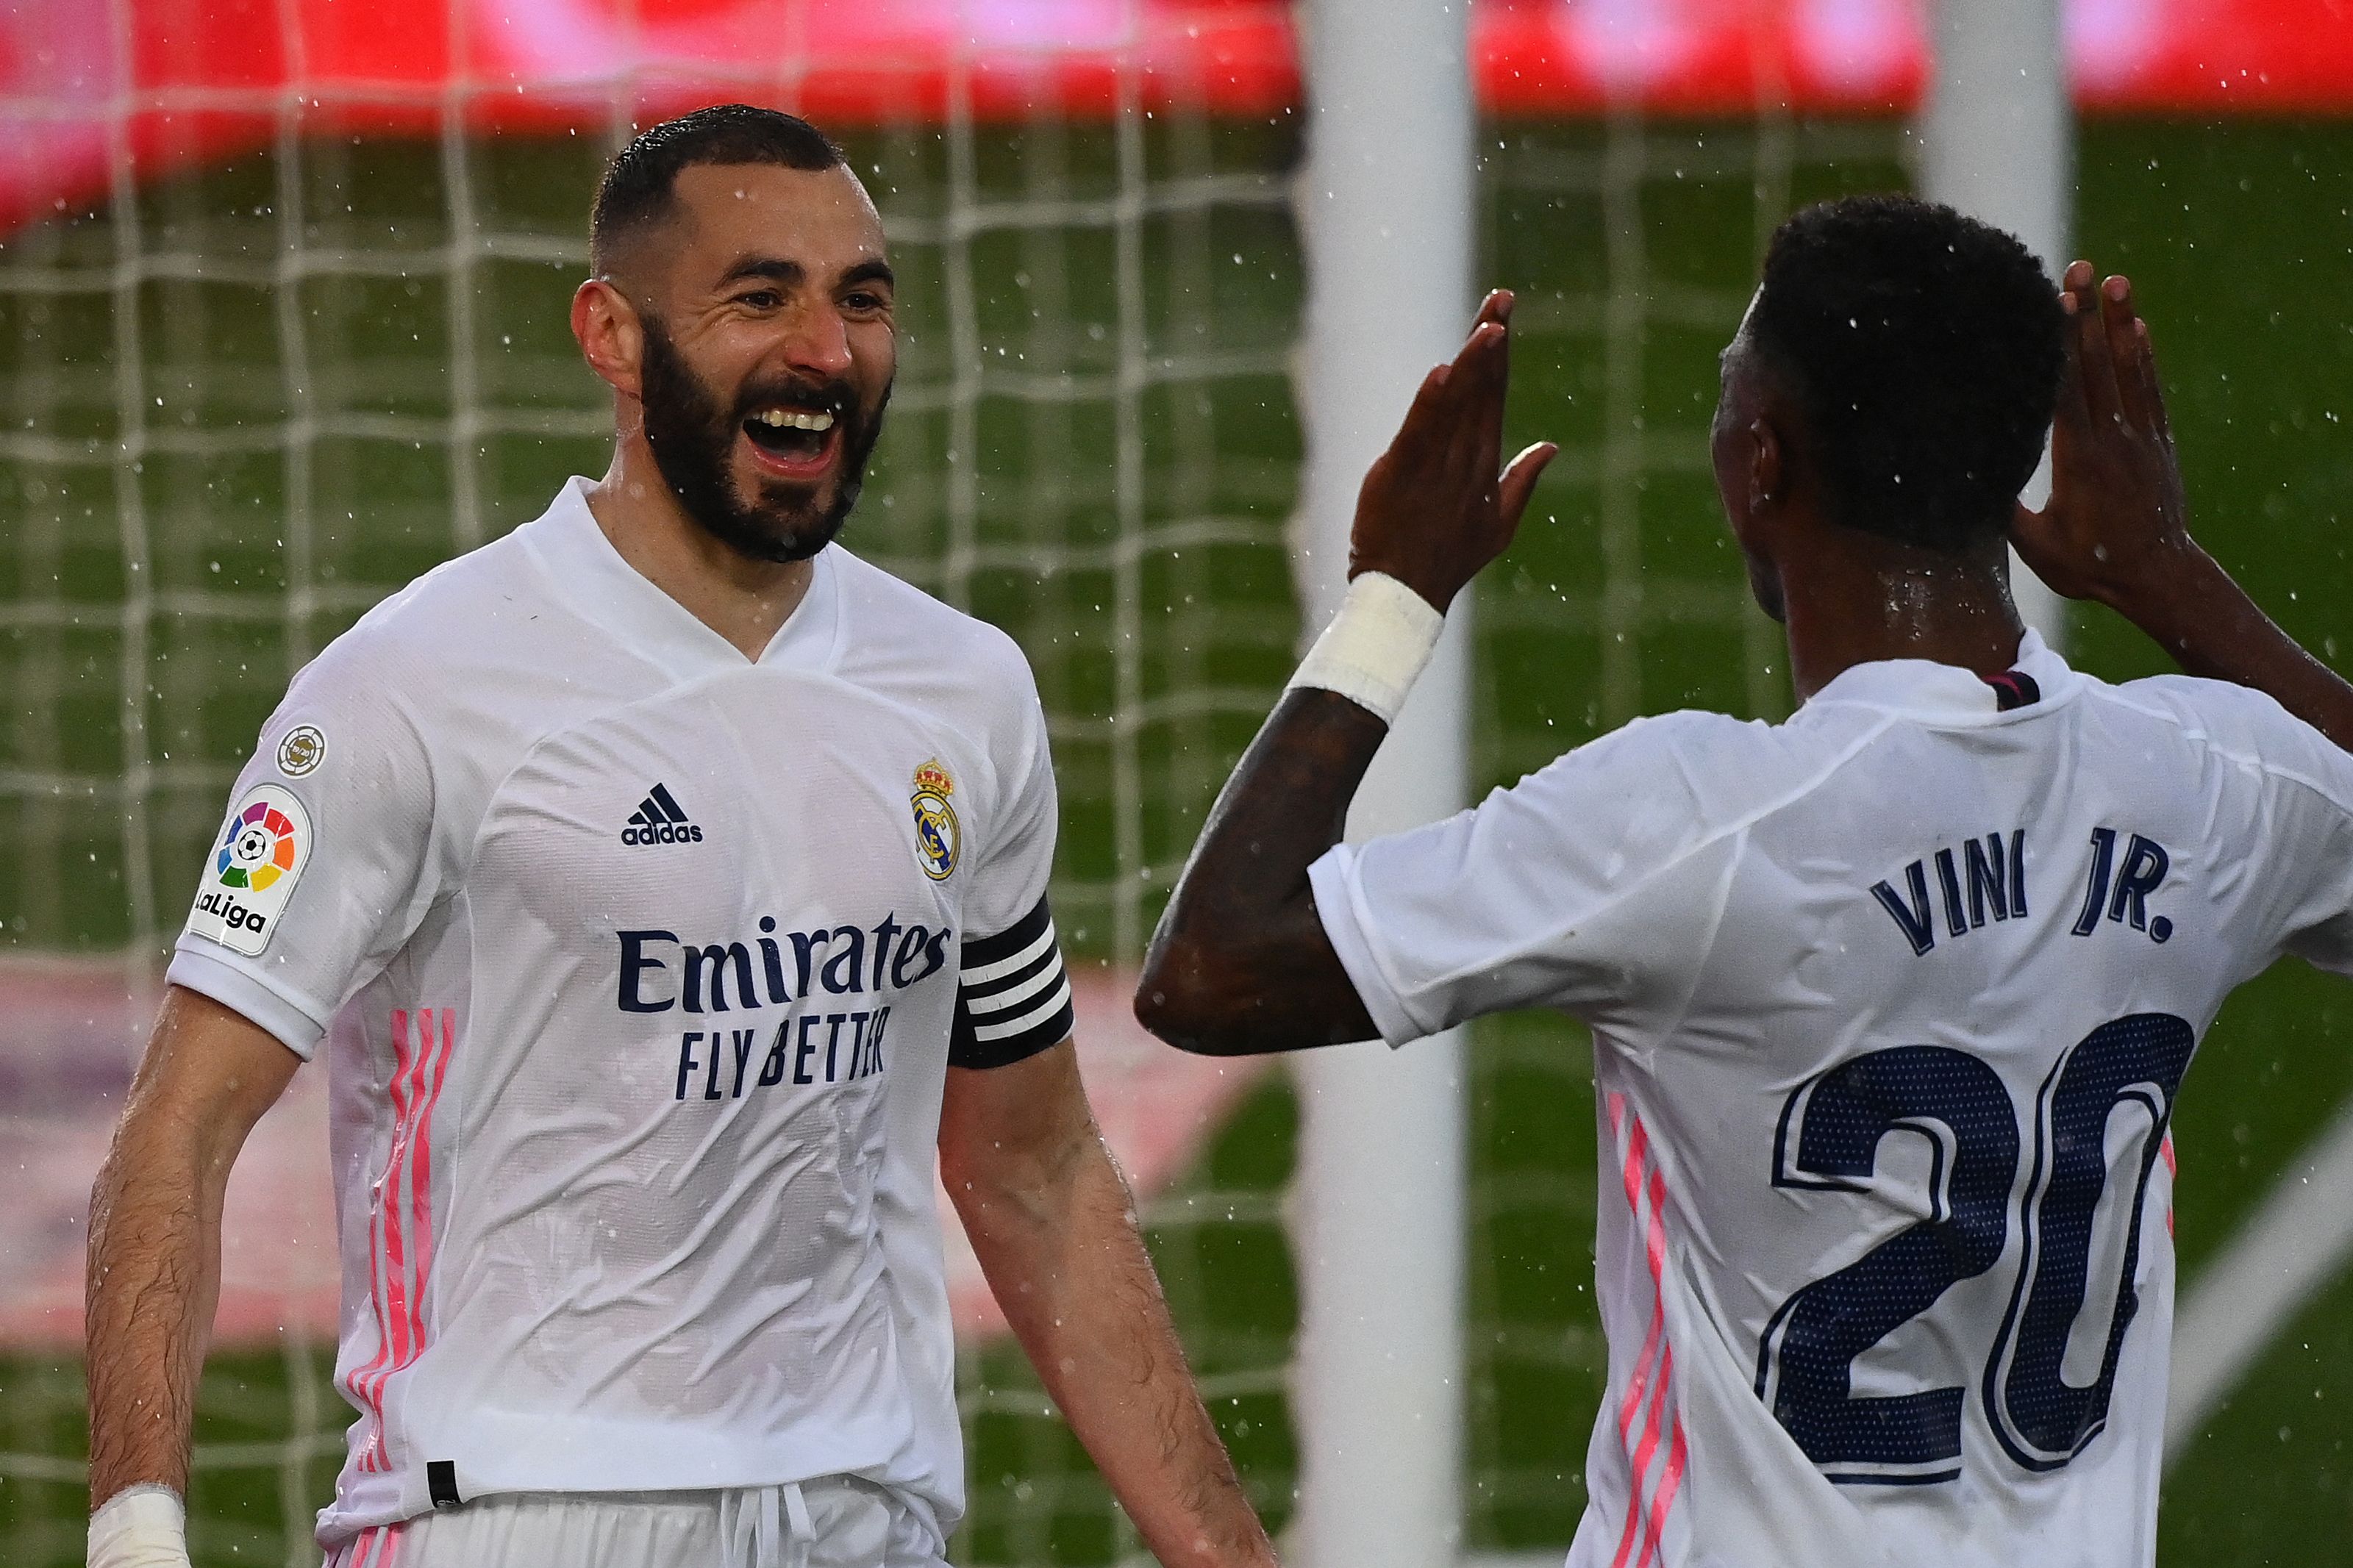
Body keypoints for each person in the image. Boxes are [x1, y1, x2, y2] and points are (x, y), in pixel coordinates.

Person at [85, 104, 1275, 1568]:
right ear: (612, 334)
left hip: (860, 1512)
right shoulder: (412, 686)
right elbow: (179, 1125)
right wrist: (137, 1528)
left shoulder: (963, 694)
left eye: (862, 297)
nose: (825, 352)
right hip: (510, 1513)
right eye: (759, 296)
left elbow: (1032, 1168)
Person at [1136, 193, 2353, 1567]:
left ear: (1758, 463)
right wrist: (2172, 579)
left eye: (1730, 394)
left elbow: (1209, 965)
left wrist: (1394, 589)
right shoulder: (2209, 783)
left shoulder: (1698, 826)